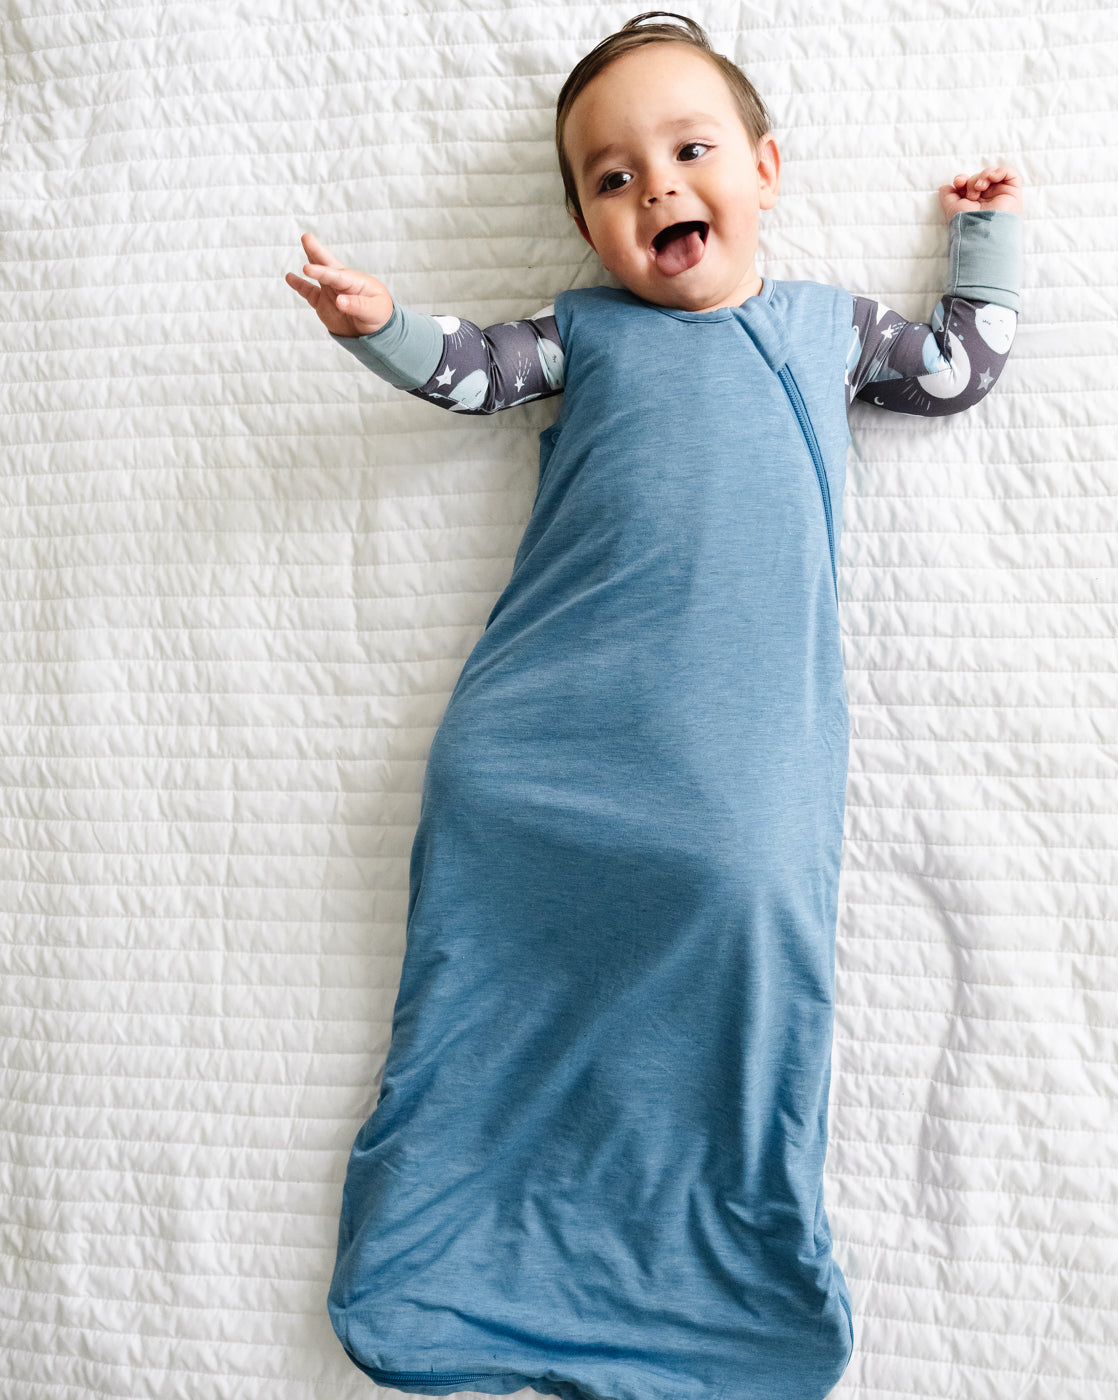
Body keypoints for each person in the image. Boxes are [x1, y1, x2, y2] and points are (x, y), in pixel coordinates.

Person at [288, 12, 1022, 1400]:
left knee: (749, 922)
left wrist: (984, 251)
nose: (657, 189)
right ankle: (457, 1250)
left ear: (764, 166)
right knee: (489, 999)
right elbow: (469, 371)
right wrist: (379, 326)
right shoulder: (588, 334)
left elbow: (956, 373)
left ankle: (712, 1254)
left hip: (729, 771)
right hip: (538, 753)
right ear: (584, 222)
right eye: (611, 179)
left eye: (689, 152)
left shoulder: (822, 325)